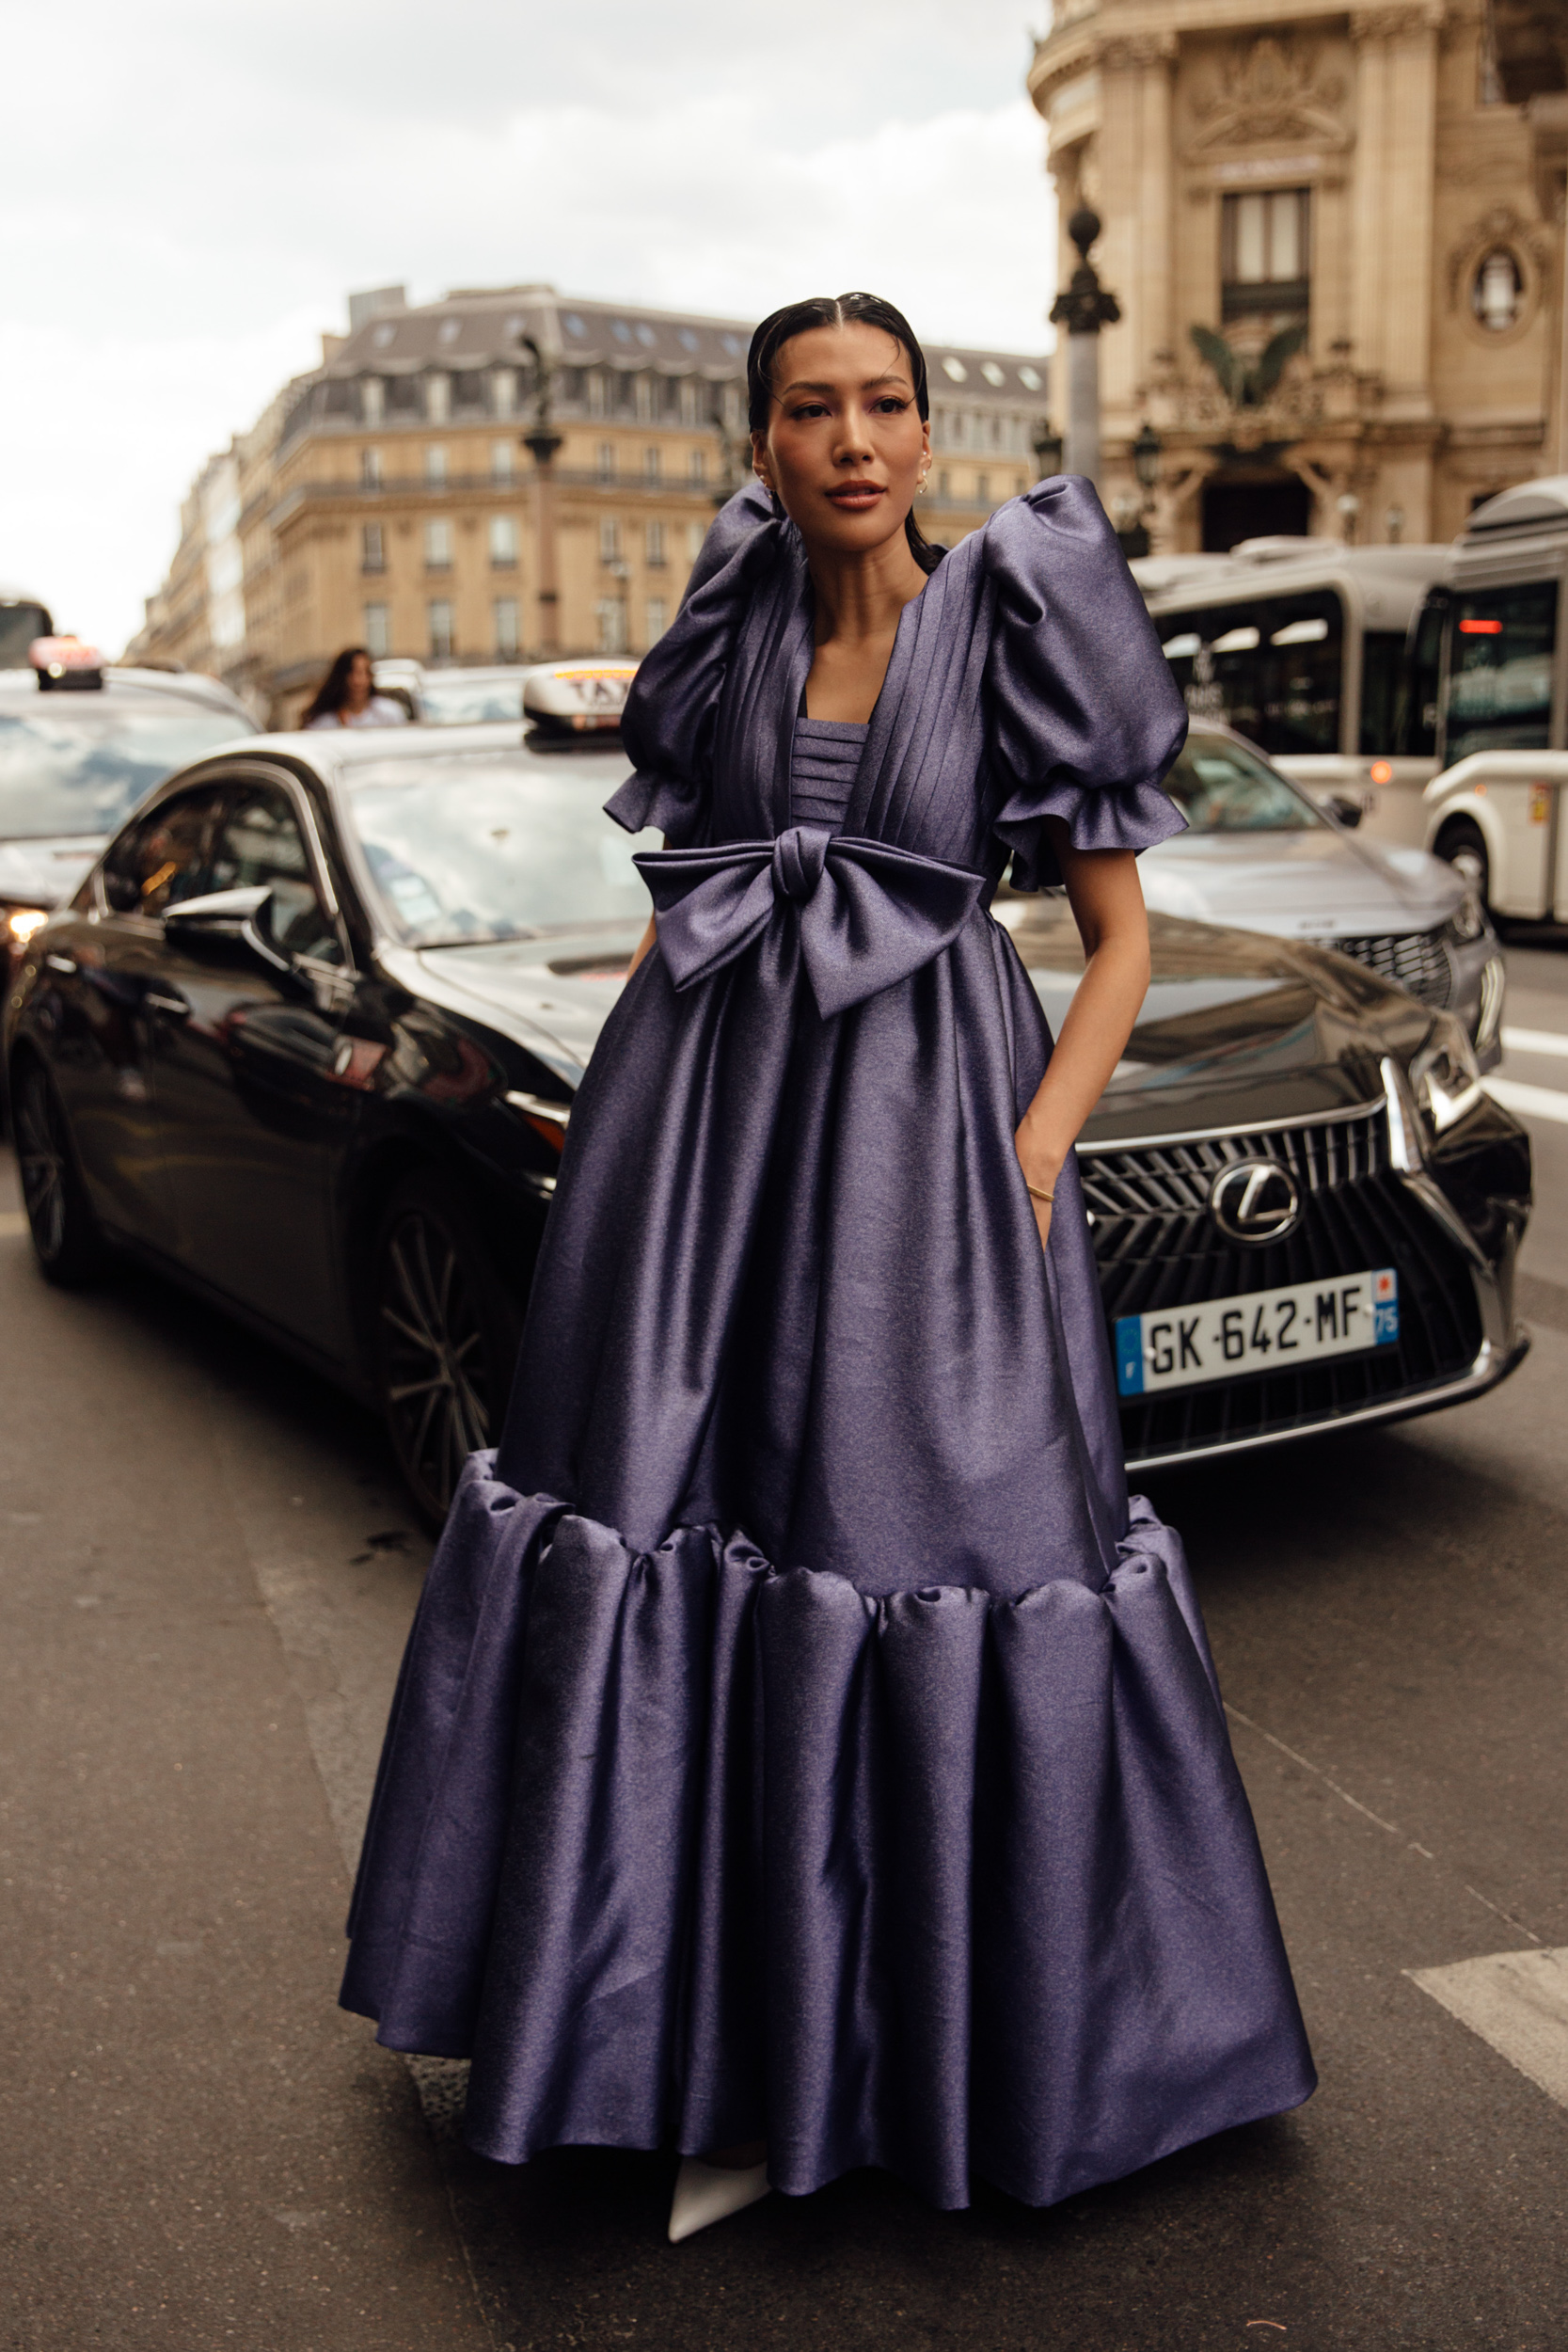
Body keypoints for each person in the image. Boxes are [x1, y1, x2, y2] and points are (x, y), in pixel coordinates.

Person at [341, 292, 1315, 2243]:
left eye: (883, 405)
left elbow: (1114, 941)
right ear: (761, 437)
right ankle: (696, 2056)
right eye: (811, 409)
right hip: (697, 1137)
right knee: (675, 1533)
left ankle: (914, 2057)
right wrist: (615, 1136)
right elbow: (683, 895)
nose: (851, 440)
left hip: (924, 1145)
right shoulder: (732, 621)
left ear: (924, 434)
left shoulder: (1020, 616)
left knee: (913, 1543)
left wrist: (1028, 1149)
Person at [300, 646, 407, 729]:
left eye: (363, 673)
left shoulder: (389, 713)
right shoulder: (323, 722)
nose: (357, 681)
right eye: (351, 673)